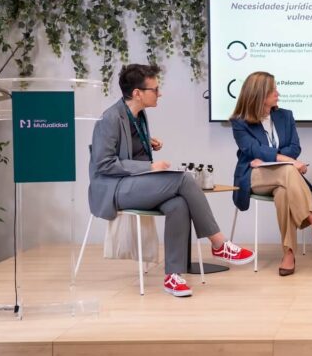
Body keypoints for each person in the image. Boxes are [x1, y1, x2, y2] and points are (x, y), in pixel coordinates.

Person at [88, 64, 253, 297]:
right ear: (137, 93)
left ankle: (173, 277)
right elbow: (104, 164)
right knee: (184, 179)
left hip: (136, 183)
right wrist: (149, 166)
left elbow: (126, 148)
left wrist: (146, 143)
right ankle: (219, 243)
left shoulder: (138, 116)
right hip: (115, 189)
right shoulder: (110, 118)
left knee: (179, 204)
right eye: (155, 89)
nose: (160, 93)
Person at [230, 72, 312, 277]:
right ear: (259, 94)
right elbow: (252, 150)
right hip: (254, 176)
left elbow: (295, 147)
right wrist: (289, 161)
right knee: (289, 170)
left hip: (282, 178)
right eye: (272, 90)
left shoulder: (285, 116)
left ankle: (288, 253)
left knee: (284, 192)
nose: (278, 93)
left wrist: (273, 159)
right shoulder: (240, 122)